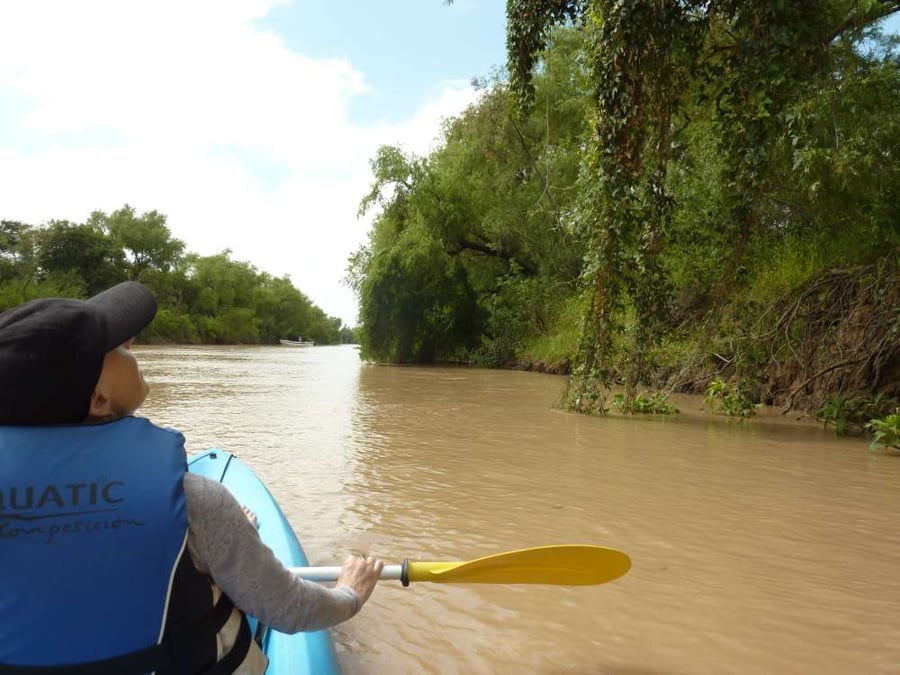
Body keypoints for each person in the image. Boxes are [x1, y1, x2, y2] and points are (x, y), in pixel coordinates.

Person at [0, 281, 384, 674]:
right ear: (99, 400)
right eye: (120, 349)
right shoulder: (194, 502)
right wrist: (350, 594)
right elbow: (290, 609)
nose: (131, 343)